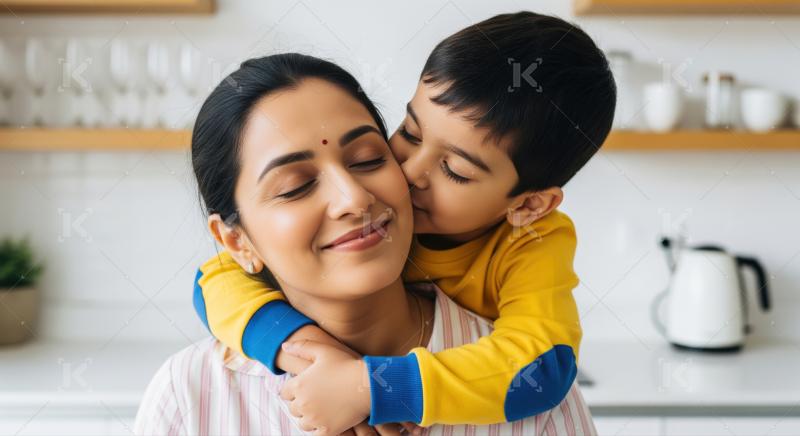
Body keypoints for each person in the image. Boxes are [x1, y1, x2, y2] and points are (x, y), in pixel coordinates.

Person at [193, 11, 616, 433]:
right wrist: (303, 348)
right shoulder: (193, 393)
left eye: (455, 170)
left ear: (528, 206)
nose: (410, 172)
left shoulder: (533, 241)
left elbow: (544, 369)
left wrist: (373, 388)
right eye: (410, 134)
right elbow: (213, 281)